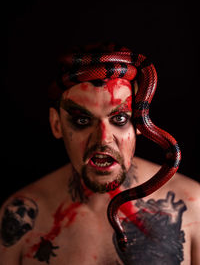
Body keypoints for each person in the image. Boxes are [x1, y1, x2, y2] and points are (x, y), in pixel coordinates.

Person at [0, 42, 199, 265]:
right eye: (83, 121)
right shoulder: (19, 217)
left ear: (139, 125)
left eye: (120, 119)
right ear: (57, 125)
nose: (103, 139)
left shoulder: (194, 206)